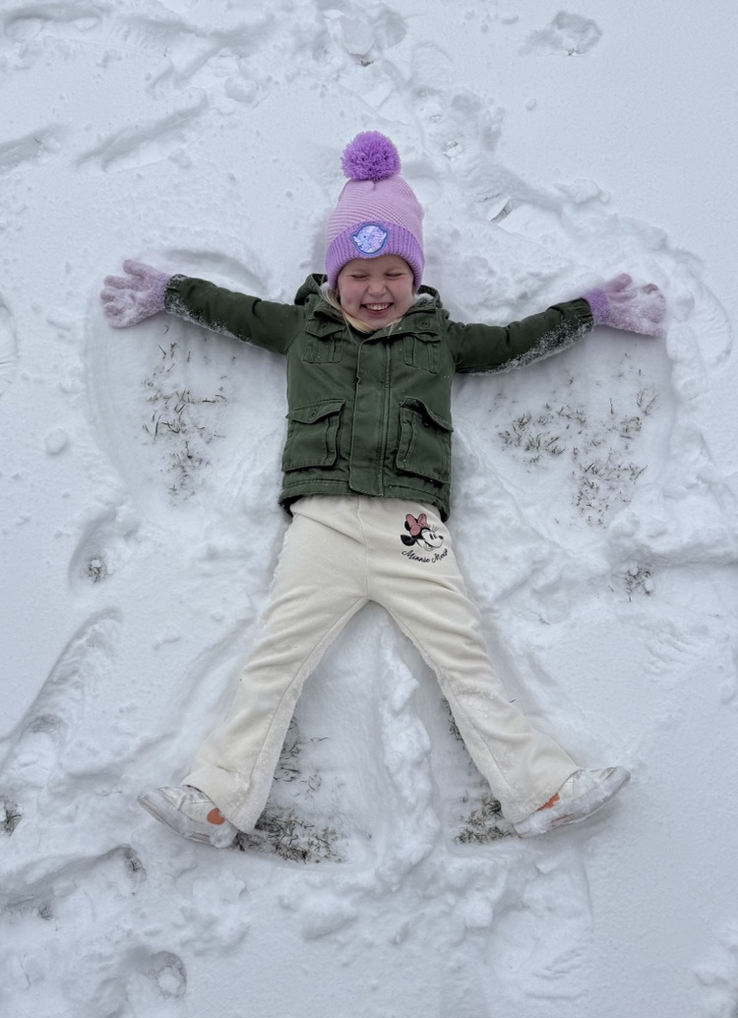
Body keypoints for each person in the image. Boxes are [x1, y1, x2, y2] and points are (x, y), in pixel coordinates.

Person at [101, 131, 665, 848]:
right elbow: (233, 311)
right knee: (275, 660)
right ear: (335, 277)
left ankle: (542, 789)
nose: (375, 289)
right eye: (359, 273)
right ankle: (216, 798)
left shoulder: (440, 338)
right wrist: (168, 292)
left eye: (393, 272)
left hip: (413, 529)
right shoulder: (304, 327)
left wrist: (589, 310)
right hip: (323, 525)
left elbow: (515, 341)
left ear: (415, 275)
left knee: (464, 657)